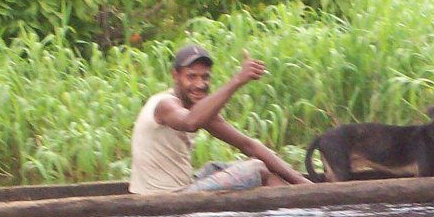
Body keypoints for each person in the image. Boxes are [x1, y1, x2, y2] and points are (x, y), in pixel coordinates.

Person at [130, 44, 311, 194]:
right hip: (163, 197)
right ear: (175, 76)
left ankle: (298, 206)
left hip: (183, 187)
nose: (200, 84)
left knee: (252, 165)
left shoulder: (198, 110)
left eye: (205, 77)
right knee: (256, 168)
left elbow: (248, 145)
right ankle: (296, 216)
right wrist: (238, 80)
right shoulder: (165, 104)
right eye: (191, 76)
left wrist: (305, 184)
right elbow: (190, 122)